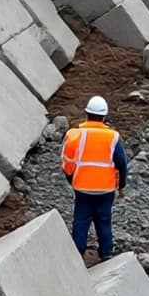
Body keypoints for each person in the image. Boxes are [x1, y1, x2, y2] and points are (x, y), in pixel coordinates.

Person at [61, 96, 127, 263]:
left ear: (87, 114)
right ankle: (105, 252)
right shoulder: (112, 137)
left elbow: (67, 161)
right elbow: (122, 163)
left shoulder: (75, 134)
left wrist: (71, 179)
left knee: (81, 221)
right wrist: (122, 186)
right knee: (104, 220)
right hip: (105, 188)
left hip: (82, 187)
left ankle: (78, 252)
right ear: (104, 116)